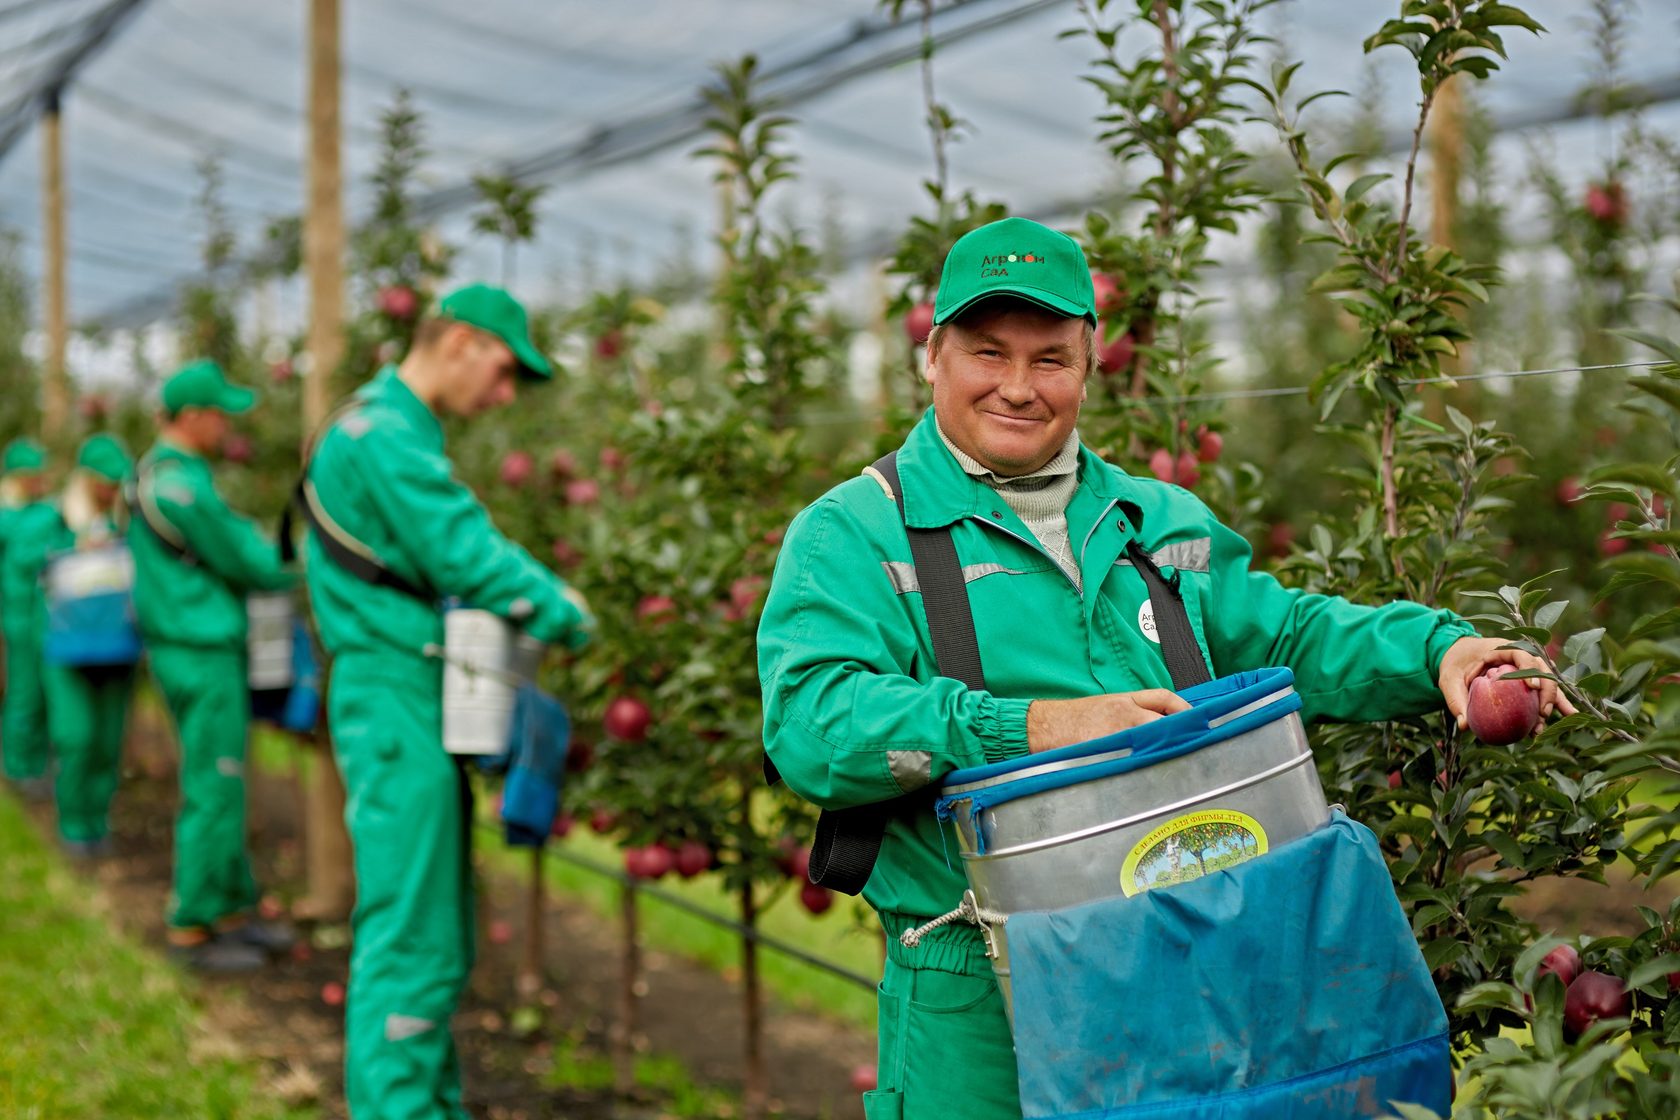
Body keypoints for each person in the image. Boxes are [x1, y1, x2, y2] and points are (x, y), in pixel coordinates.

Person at [756, 216, 1572, 1120]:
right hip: (986, 1008)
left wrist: (1438, 649)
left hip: (1192, 983)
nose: (1019, 388)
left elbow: (1289, 633)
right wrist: (1032, 726)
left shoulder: (1159, 522)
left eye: (1051, 358)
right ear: (933, 358)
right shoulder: (853, 533)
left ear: (1092, 364)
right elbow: (812, 724)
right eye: (989, 353)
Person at [303, 284, 591, 1120]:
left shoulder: (389, 428)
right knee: (410, 930)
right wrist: (566, 610)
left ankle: (427, 1102)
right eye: (503, 372)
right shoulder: (384, 435)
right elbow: (462, 548)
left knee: (436, 923)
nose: (502, 397)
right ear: (460, 341)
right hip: (393, 694)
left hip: (409, 689)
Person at [130, 359, 297, 973]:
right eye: (222, 413)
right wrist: (301, 559)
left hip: (182, 648)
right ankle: (192, 927)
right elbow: (253, 561)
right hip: (201, 652)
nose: (228, 425)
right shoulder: (184, 487)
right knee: (213, 785)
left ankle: (231, 911)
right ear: (194, 417)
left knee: (221, 780)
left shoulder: (152, 475)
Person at [33, 434, 137, 856]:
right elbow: (25, 565)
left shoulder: (130, 522)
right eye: (102, 481)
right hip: (67, 650)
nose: (109, 489)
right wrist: (65, 549)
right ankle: (74, 826)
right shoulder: (55, 520)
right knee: (76, 738)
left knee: (107, 744)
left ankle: (98, 823)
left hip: (118, 650)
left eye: (116, 482)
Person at [1, 437, 56, 800]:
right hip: (19, 618)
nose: (38, 480)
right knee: (24, 693)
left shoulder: (49, 512)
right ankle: (19, 765)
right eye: (30, 474)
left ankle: (40, 762)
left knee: (48, 692)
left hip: (50, 617)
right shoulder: (5, 517)